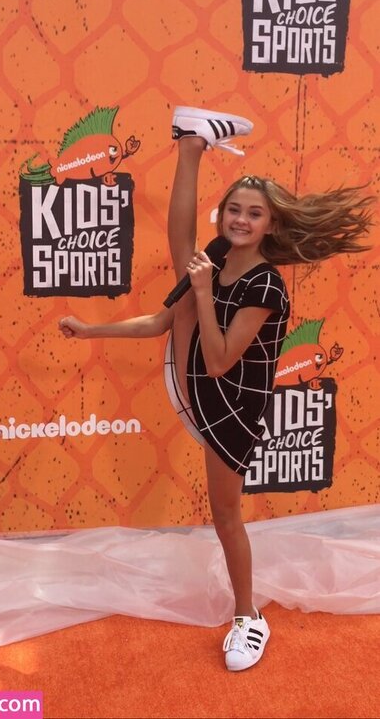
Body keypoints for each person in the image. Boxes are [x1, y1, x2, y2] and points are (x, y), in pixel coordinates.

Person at [59, 106, 374, 672]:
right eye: (234, 209)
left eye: (254, 213)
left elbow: (223, 359)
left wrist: (201, 291)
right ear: (222, 212)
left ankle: (249, 619)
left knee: (227, 518)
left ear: (271, 225)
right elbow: (162, 321)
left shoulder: (266, 286)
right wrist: (91, 329)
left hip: (230, 405)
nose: (240, 220)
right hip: (198, 382)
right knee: (186, 258)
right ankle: (191, 144)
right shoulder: (220, 256)